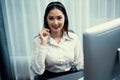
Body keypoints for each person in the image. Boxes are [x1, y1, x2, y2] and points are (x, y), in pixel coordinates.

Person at [30, 1, 84, 80]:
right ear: (46, 20)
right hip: (49, 77)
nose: (55, 23)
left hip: (71, 76)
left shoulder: (73, 38)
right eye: (51, 18)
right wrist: (43, 43)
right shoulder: (38, 40)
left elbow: (80, 64)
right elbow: (38, 71)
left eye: (59, 18)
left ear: (65, 18)